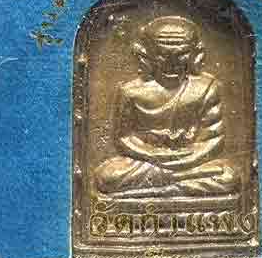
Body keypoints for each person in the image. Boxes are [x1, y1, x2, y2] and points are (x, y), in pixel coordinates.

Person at [95, 16, 239, 197]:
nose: (172, 63)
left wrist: (187, 159)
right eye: (163, 54)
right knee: (108, 176)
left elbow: (214, 139)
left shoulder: (206, 87)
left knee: (228, 176)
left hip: (190, 161)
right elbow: (124, 138)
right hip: (147, 162)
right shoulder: (131, 91)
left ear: (196, 55)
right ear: (146, 56)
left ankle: (161, 187)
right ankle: (176, 184)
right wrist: (153, 155)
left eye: (181, 54)